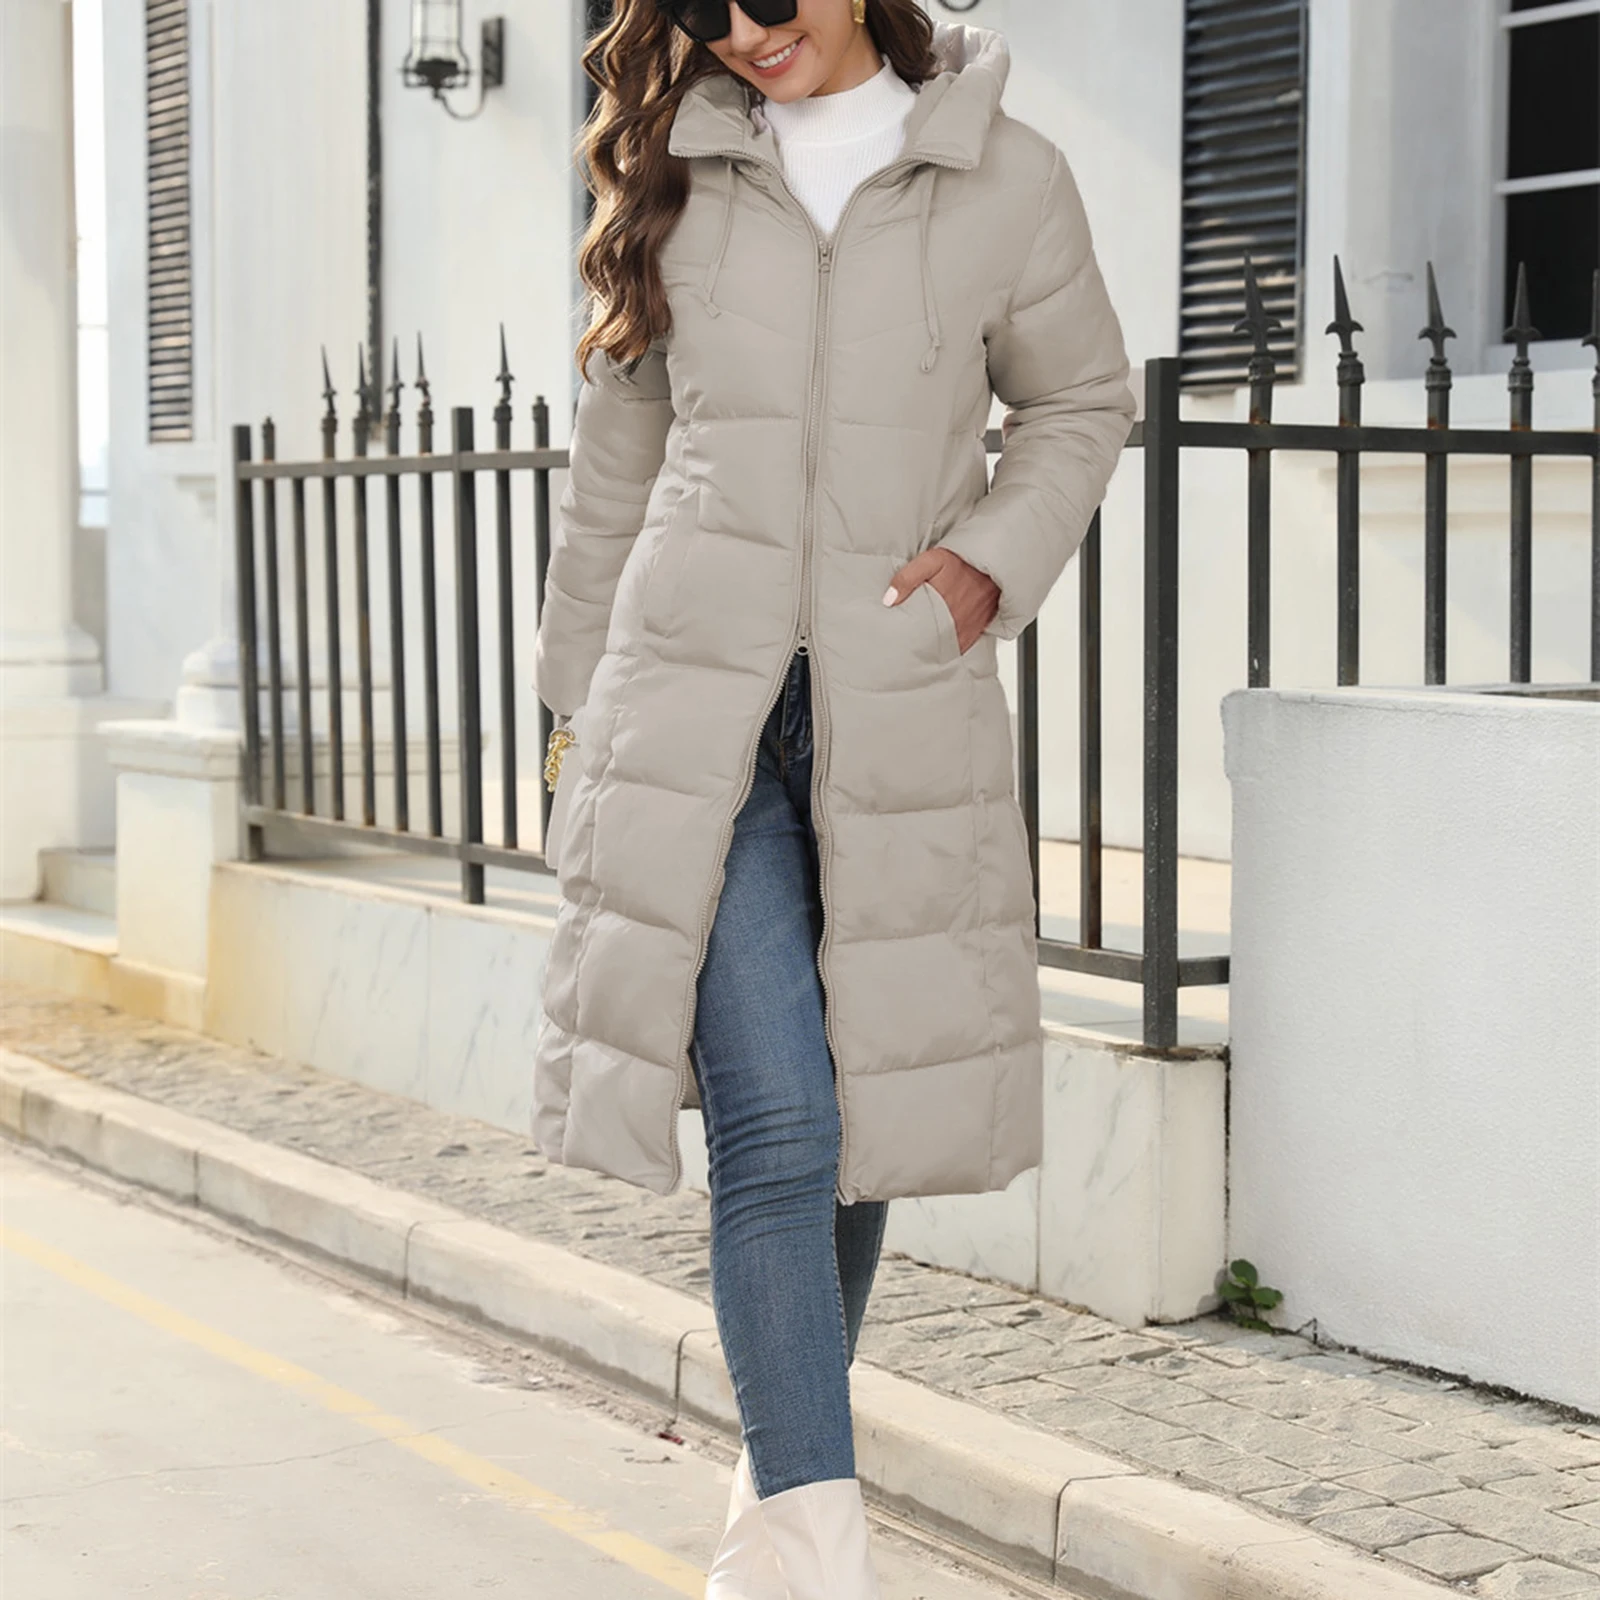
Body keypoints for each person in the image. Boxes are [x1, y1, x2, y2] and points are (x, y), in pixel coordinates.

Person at [532, 1, 1134, 1594]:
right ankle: (811, 1563)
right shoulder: (674, 168)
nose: (741, 32)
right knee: (783, 1122)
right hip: (693, 713)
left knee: (855, 1124)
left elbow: (1082, 401)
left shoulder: (1009, 174)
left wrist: (985, 566)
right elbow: (617, 459)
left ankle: (781, 1493)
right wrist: (572, 718)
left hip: (893, 706)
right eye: (702, 8)